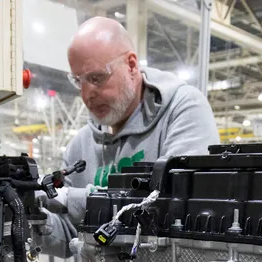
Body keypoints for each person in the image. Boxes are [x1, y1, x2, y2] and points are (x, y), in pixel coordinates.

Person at [41, 17, 219, 232]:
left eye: (96, 78)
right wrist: (33, 219)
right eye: (79, 81)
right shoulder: (81, 145)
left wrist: (70, 199)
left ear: (131, 65)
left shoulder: (183, 109)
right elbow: (72, 232)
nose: (87, 94)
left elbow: (174, 205)